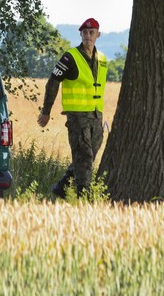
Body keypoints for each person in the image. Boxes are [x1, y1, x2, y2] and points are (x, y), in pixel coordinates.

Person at [37, 17, 108, 197]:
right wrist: (46, 112)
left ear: (98, 35)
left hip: (96, 116)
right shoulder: (70, 57)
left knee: (88, 155)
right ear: (80, 34)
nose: (88, 36)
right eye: (84, 32)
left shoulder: (103, 59)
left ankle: (61, 189)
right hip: (77, 117)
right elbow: (53, 83)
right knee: (84, 156)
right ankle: (83, 196)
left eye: (92, 33)